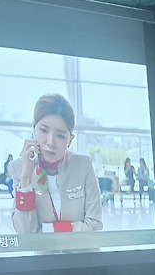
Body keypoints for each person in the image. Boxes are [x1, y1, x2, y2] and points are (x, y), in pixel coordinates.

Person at [8, 94, 102, 234]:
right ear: (33, 130)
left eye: (60, 135)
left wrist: (46, 230)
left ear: (70, 140)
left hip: (81, 249)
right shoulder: (19, 168)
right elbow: (25, 232)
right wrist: (26, 177)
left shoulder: (83, 165)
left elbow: (94, 225)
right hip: (43, 250)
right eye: (44, 130)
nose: (51, 142)